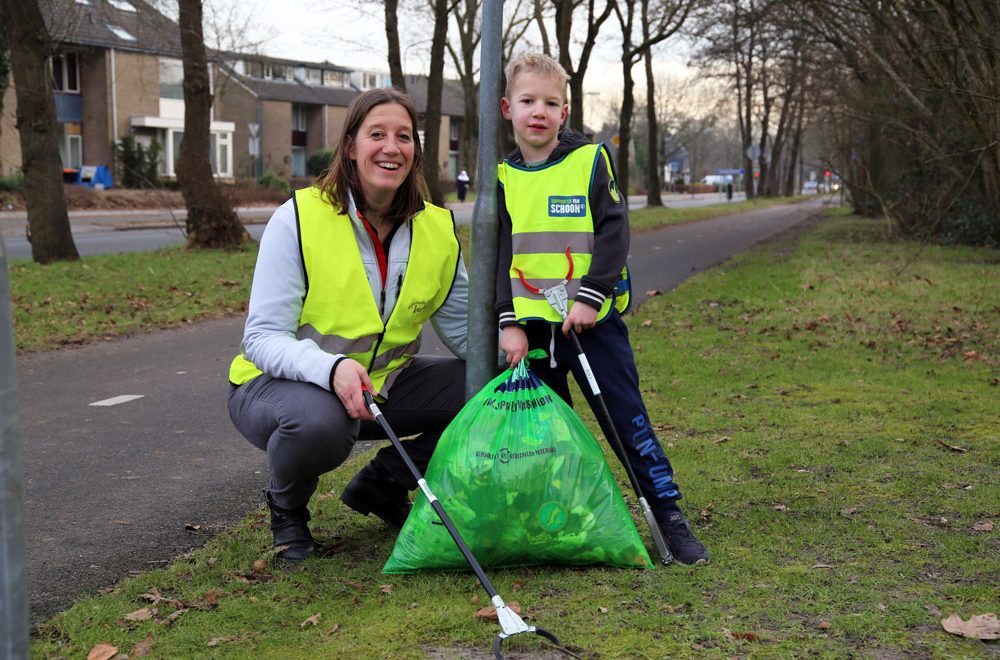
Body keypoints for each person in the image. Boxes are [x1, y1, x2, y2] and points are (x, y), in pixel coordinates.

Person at [227, 88, 470, 561]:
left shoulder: (438, 229)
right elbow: (260, 338)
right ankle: (288, 512)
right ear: (350, 146)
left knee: (490, 385)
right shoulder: (298, 218)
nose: (390, 147)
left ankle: (383, 484)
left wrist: (526, 342)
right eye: (376, 134)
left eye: (403, 136)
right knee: (320, 422)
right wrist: (332, 368)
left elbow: (466, 336)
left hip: (383, 386)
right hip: (280, 387)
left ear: (415, 152)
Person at [495, 54, 709, 565]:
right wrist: (508, 322)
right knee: (546, 436)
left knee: (625, 422)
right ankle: (561, 521)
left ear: (564, 111)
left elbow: (615, 231)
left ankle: (667, 515)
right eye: (528, 102)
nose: (538, 112)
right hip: (532, 333)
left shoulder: (590, 160)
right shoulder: (503, 175)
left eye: (550, 103)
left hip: (591, 325)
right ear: (507, 108)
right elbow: (501, 252)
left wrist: (591, 295)